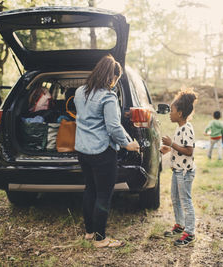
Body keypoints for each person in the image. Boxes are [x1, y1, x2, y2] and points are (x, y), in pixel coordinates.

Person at [74, 55, 140, 248]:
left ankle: (89, 233)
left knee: (90, 190)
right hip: (102, 152)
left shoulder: (79, 92)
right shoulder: (108, 96)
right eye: (116, 80)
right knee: (103, 194)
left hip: (83, 150)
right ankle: (100, 239)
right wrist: (128, 144)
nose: (115, 84)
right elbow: (113, 127)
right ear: (112, 77)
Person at [160, 89, 198, 247]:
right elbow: (180, 148)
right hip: (177, 171)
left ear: (180, 113)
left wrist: (171, 144)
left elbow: (189, 150)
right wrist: (169, 149)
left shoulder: (187, 128)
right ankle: (180, 225)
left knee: (185, 201)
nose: (169, 113)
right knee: (175, 199)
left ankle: (190, 233)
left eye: (172, 110)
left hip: (185, 172)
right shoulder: (179, 128)